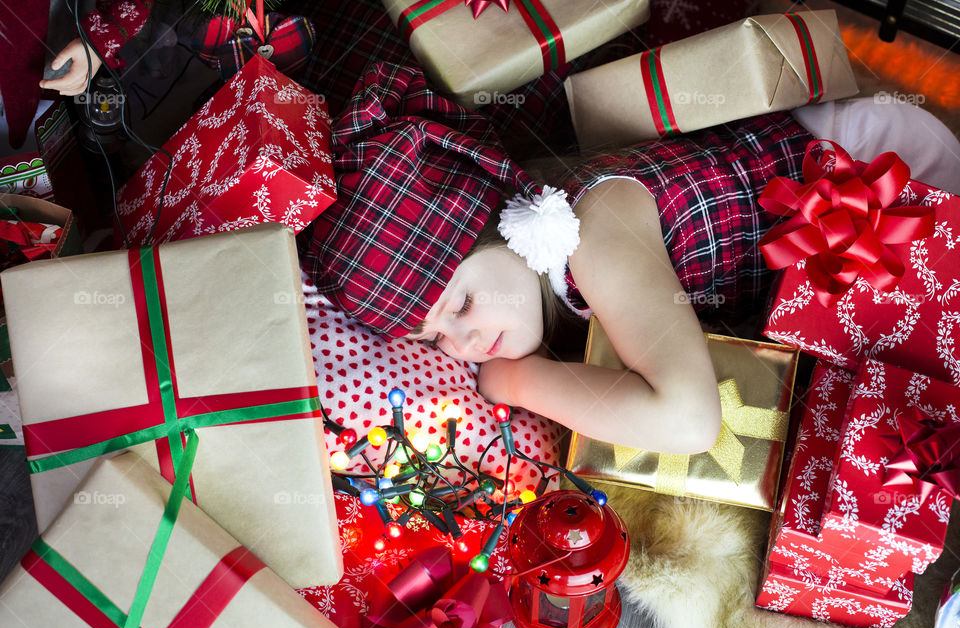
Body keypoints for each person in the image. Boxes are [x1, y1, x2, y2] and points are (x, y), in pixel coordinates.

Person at [304, 62, 960, 455]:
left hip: (879, 200)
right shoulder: (552, 268)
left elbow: (689, 420)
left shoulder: (597, 230)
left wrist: (514, 384)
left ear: (508, 223)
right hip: (809, 271)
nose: (459, 344)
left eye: (461, 304)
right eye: (429, 336)